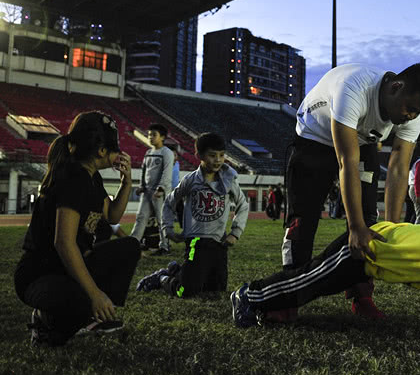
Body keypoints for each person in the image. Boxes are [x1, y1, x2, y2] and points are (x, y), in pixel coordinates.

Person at [282, 62, 420, 319]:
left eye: (418, 112)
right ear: (396, 87)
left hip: (360, 138)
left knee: (370, 222)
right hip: (314, 137)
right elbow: (346, 161)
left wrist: (392, 226)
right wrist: (354, 227)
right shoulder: (354, 88)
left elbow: (399, 170)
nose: (411, 116)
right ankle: (286, 296)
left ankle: (361, 294)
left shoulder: (413, 114)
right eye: (410, 109)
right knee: (303, 219)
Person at [230, 221, 420, 357]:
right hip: (359, 250)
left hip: (373, 246)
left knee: (311, 285)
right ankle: (248, 295)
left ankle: (260, 303)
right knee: (307, 281)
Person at [14, 111, 141, 346]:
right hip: (40, 274)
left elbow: (112, 214)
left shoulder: (91, 178)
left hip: (63, 269)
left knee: (129, 247)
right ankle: (46, 323)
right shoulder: (74, 179)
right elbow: (63, 243)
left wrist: (126, 184)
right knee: (83, 297)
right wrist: (95, 293)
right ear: (102, 150)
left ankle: (88, 315)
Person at [137, 132, 249, 298]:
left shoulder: (228, 180)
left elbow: (243, 205)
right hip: (196, 242)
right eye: (212, 155)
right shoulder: (190, 180)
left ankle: (178, 271)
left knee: (216, 291)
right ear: (199, 156)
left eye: (221, 155)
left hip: (219, 243)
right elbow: (169, 202)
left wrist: (235, 232)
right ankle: (163, 278)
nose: (218, 160)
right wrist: (168, 229)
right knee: (186, 291)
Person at [131, 123, 175, 254]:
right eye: (149, 135)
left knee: (162, 220)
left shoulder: (167, 153)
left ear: (162, 137)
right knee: (141, 217)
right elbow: (144, 171)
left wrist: (161, 188)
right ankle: (133, 243)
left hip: (159, 192)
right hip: (147, 191)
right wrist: (141, 186)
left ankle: (165, 246)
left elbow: (167, 172)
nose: (150, 137)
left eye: (154, 135)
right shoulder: (148, 152)